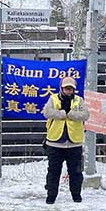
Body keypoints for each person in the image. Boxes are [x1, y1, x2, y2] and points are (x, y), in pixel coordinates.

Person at [42, 76, 89, 204]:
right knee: (53, 171)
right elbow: (46, 112)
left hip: (74, 142)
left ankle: (76, 196)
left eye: (70, 89)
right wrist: (63, 114)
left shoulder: (79, 100)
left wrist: (71, 114)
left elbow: (85, 115)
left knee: (75, 172)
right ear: (61, 88)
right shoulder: (53, 98)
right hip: (54, 142)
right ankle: (51, 196)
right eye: (66, 88)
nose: (68, 91)